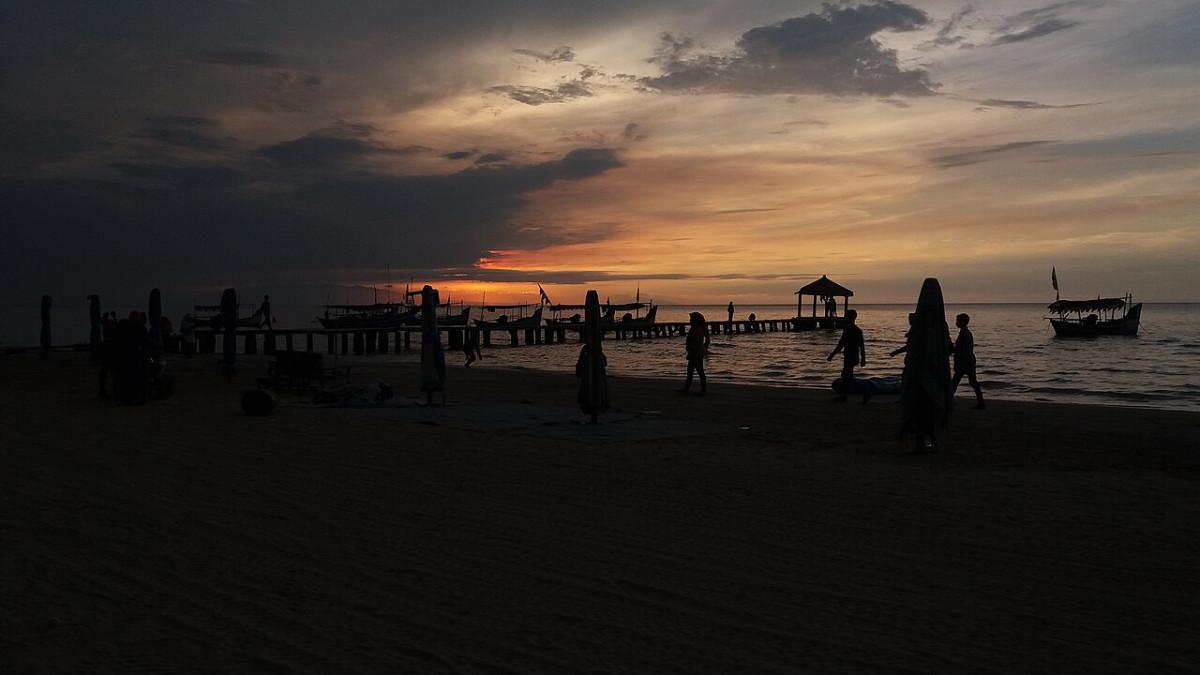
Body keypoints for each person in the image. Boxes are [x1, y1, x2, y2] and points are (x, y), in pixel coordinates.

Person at [900, 279, 954, 451]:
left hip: (923, 371)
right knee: (923, 406)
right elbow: (946, 347)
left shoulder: (927, 324)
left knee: (922, 406)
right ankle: (924, 438)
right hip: (927, 372)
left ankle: (923, 438)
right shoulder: (936, 324)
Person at [827, 309, 865, 401]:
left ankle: (844, 396)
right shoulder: (857, 330)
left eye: (846, 316)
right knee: (848, 376)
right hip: (854, 355)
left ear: (850, 318)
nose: (844, 317)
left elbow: (841, 344)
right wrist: (863, 358)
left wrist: (832, 354)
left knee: (845, 375)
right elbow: (862, 345)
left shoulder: (848, 330)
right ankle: (860, 392)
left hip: (850, 355)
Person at [951, 313, 985, 409]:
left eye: (957, 321)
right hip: (968, 361)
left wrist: (951, 349)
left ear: (963, 322)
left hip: (965, 362)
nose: (956, 323)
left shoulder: (964, 334)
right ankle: (981, 402)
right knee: (971, 382)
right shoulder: (965, 333)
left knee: (955, 382)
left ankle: (948, 401)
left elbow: (961, 349)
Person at [678, 312, 710, 395]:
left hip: (696, 353)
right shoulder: (695, 328)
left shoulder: (697, 329)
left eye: (692, 319)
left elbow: (696, 341)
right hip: (696, 352)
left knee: (698, 371)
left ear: (696, 320)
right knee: (692, 371)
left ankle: (702, 390)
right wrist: (703, 348)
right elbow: (706, 339)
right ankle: (688, 388)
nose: (690, 320)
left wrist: (698, 349)